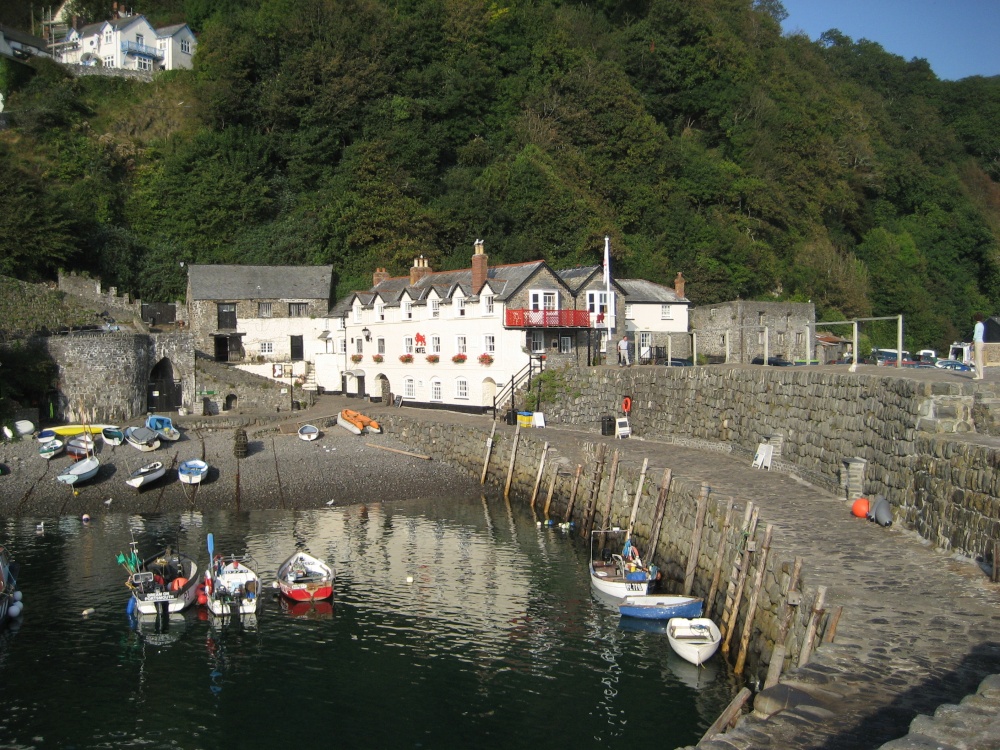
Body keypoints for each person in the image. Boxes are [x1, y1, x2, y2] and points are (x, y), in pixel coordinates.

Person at [973, 313, 986, 380]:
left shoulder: (977, 325)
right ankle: (981, 375)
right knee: (980, 360)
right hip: (981, 342)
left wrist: (972, 342)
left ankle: (978, 375)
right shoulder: (982, 325)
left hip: (977, 342)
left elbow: (975, 335)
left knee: (977, 360)